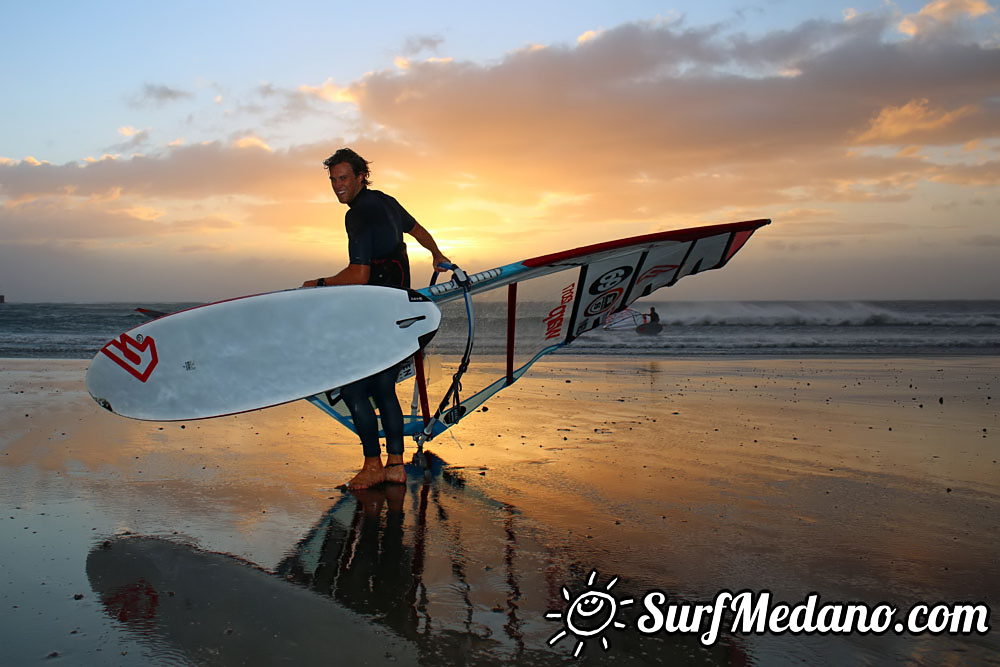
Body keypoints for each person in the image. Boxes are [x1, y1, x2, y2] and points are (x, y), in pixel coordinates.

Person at [303, 148, 450, 490]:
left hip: (377, 315)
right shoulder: (386, 202)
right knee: (383, 387)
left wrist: (320, 283)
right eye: (333, 180)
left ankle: (373, 466)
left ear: (359, 177)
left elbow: (359, 274)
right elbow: (417, 230)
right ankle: (395, 466)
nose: (337, 186)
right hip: (400, 312)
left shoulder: (356, 216)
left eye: (343, 178)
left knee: (355, 388)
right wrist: (437, 254)